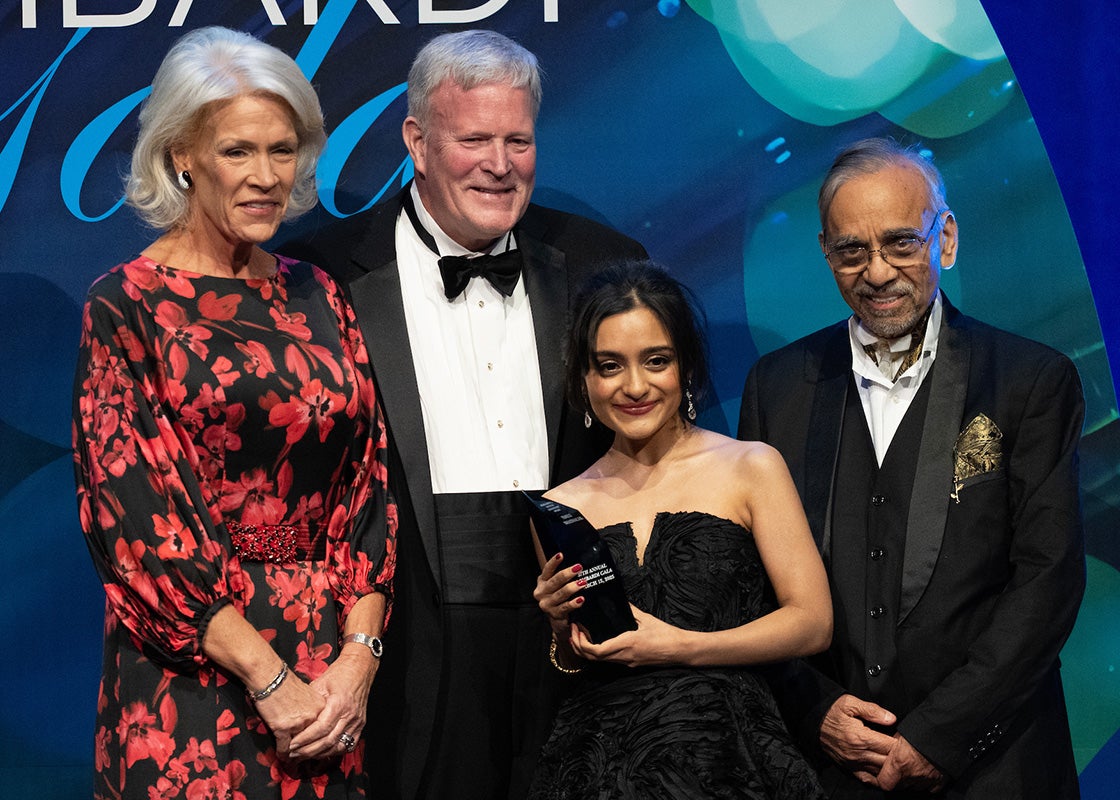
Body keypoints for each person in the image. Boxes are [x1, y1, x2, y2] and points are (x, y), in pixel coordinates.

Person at [278, 29, 648, 800]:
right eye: (473, 138)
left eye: (518, 139)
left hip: (570, 622)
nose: (500, 163)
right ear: (416, 140)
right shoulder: (318, 276)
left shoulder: (602, 262)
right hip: (402, 628)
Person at [72, 27, 396, 799]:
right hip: (195, 675)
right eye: (237, 152)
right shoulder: (127, 305)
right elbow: (137, 526)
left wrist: (357, 661)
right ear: (182, 154)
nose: (265, 177)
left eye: (282, 151)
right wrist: (268, 678)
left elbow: (368, 489)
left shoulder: (319, 295)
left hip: (328, 688)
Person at [738, 137, 1085, 798]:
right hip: (829, 771)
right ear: (825, 253)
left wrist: (940, 737)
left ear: (945, 239)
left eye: (902, 243)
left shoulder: (1030, 382)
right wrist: (816, 710)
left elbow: (1048, 582)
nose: (877, 272)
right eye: (851, 251)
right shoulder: (775, 388)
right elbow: (750, 583)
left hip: (995, 768)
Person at [528, 261, 832, 798]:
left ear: (685, 365)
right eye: (609, 366)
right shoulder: (560, 507)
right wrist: (559, 631)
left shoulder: (751, 467)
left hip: (729, 757)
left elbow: (811, 624)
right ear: (584, 378)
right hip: (598, 766)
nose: (635, 386)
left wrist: (679, 646)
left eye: (656, 361)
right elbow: (579, 659)